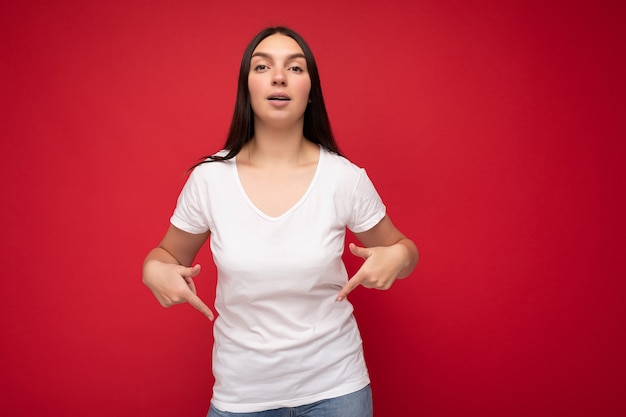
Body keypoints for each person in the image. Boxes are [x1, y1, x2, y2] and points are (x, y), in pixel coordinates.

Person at [142, 26, 419, 417]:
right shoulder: (209, 179)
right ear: (247, 87)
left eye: (295, 67)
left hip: (337, 391)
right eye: (262, 66)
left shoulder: (344, 178)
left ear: (310, 90)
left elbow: (404, 249)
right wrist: (152, 269)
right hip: (242, 396)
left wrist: (399, 258)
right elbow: (167, 253)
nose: (279, 76)